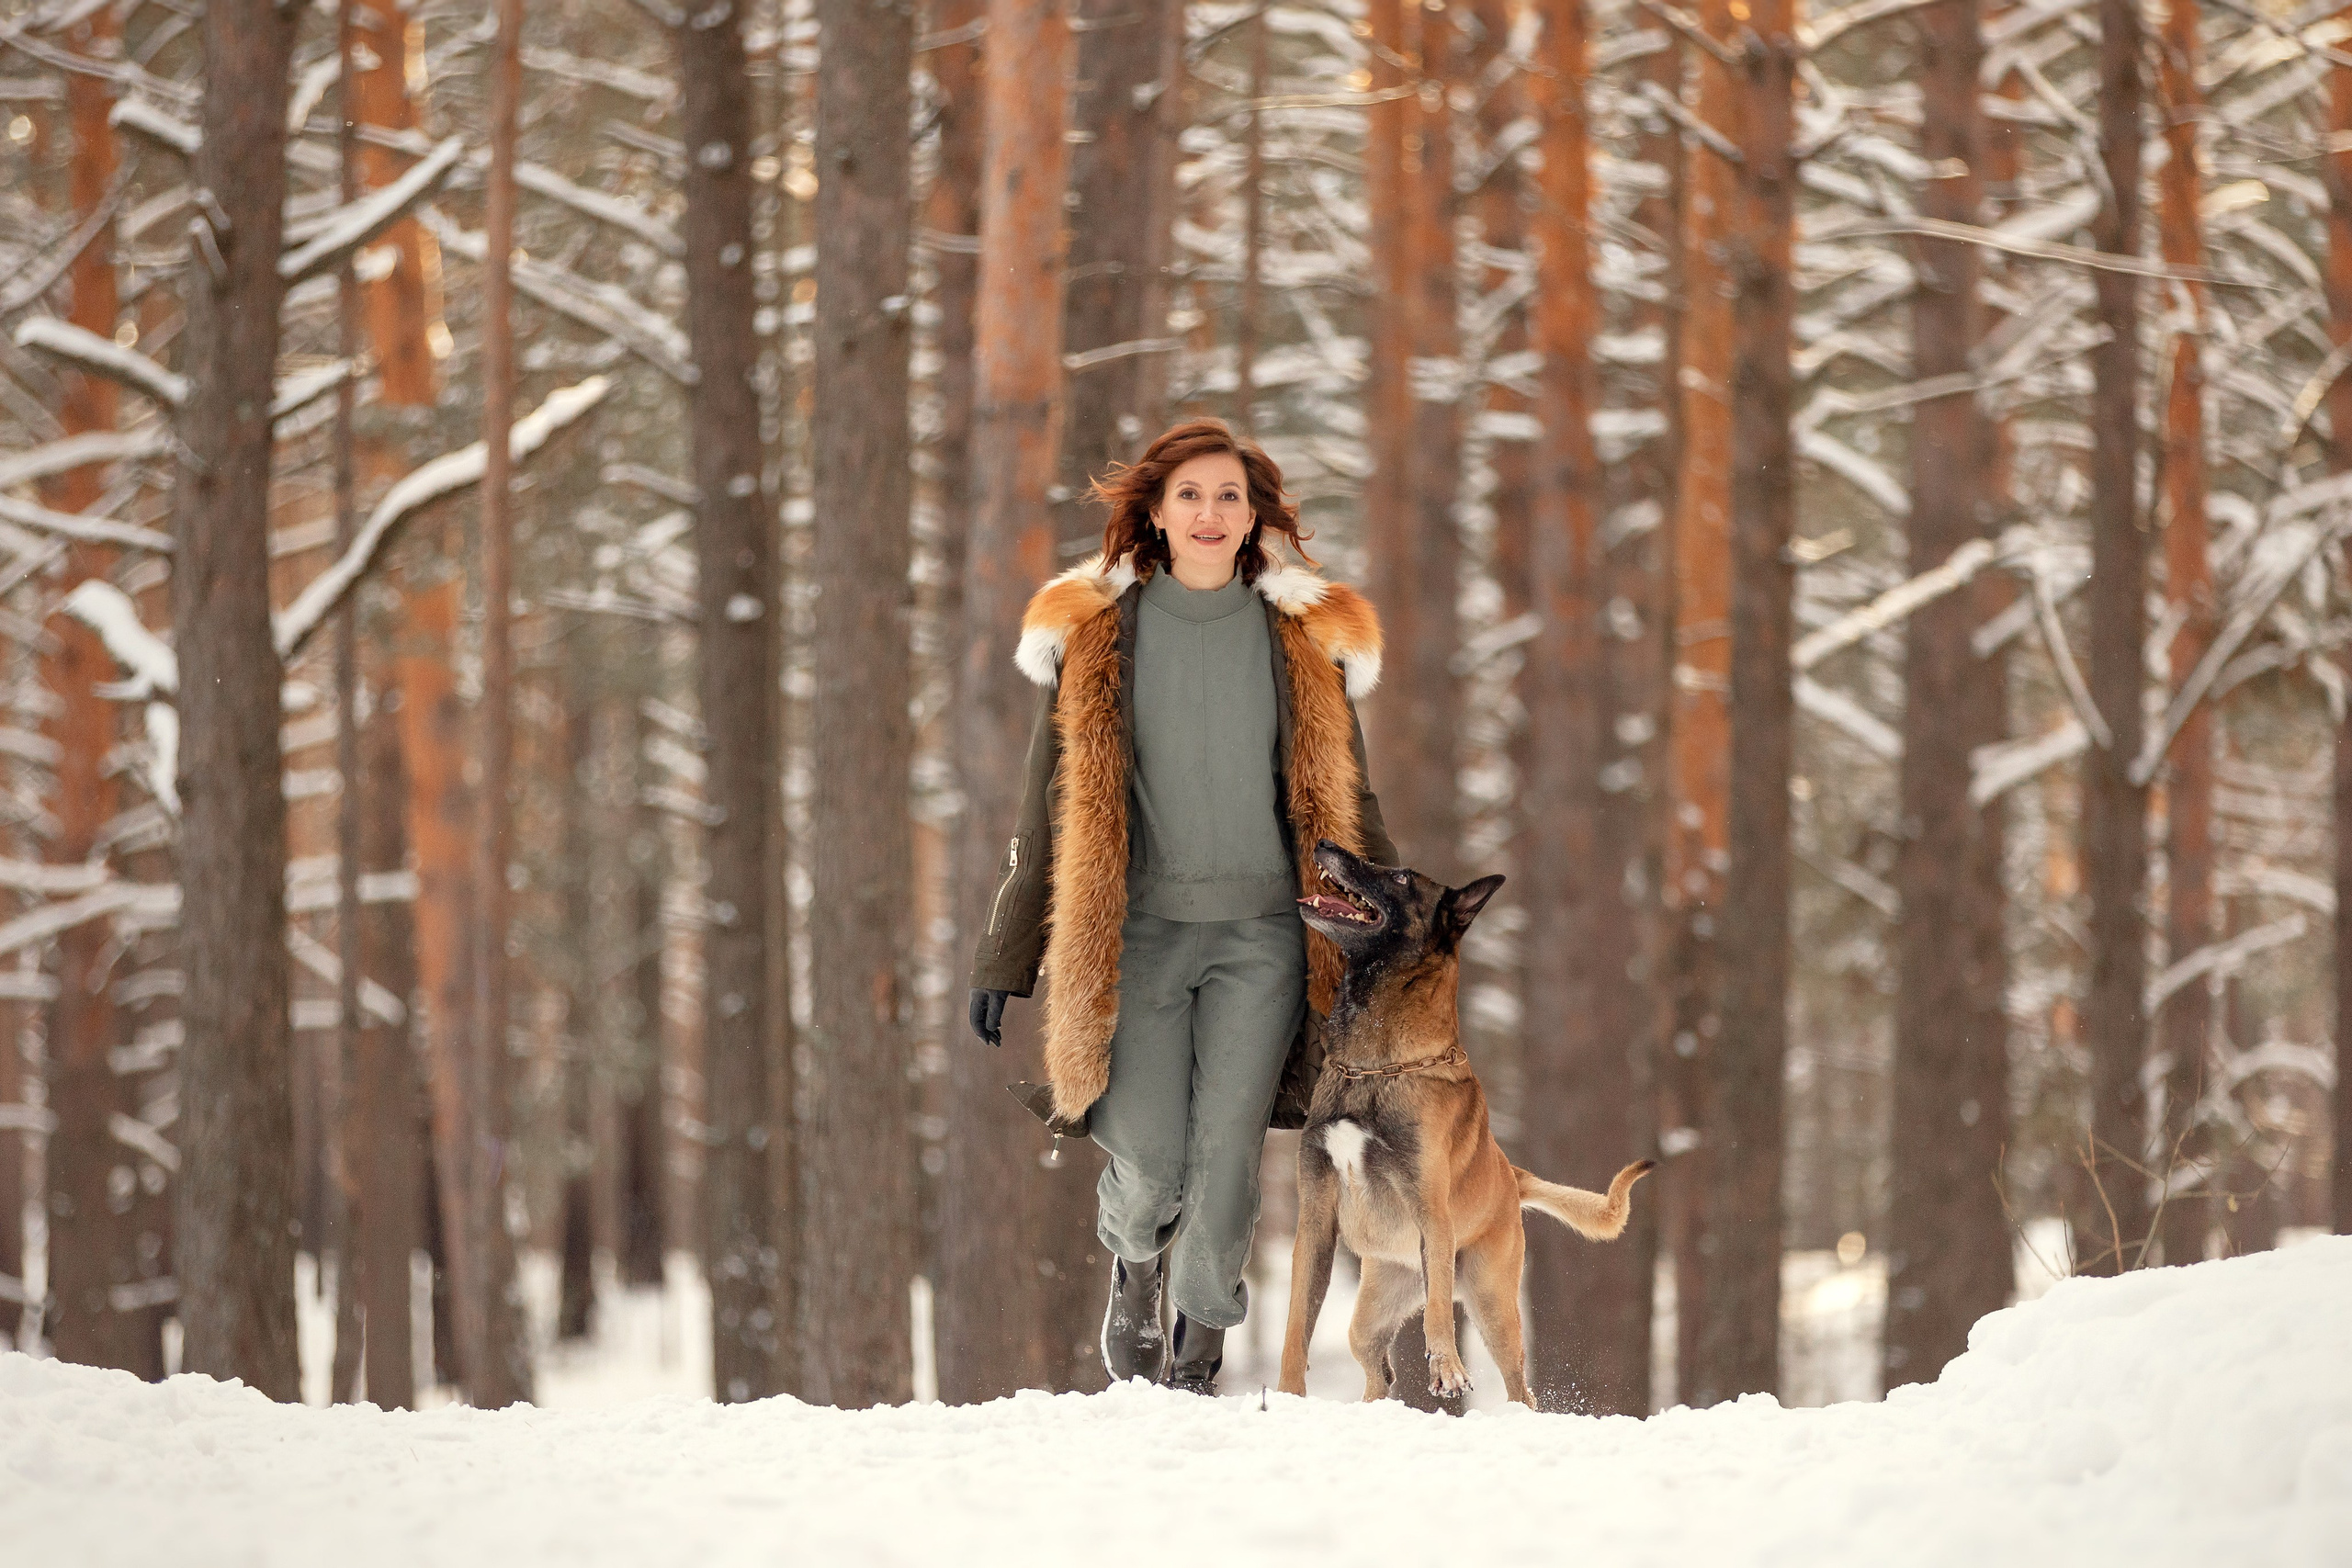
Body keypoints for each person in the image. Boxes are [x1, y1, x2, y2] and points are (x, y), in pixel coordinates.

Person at [966, 418, 1396, 1394]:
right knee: (1153, 1160)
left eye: (1230, 497)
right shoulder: (1095, 637)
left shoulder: (1303, 638)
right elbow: (1048, 808)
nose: (1210, 513)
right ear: (1154, 513)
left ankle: (1198, 1348)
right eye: (1190, 495)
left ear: (1256, 520)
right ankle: (1132, 1267)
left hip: (1265, 941)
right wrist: (1005, 954)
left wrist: (1396, 939)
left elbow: (1352, 801)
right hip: (1139, 938)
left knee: (1227, 1164)